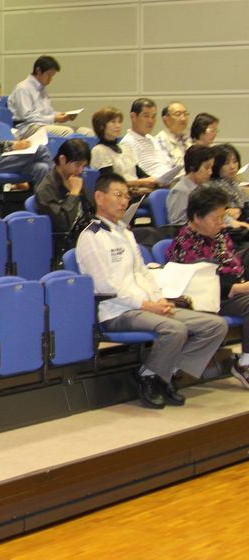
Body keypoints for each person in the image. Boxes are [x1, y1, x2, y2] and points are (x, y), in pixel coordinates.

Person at [77, 173, 227, 408]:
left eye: (126, 196)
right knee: (174, 329)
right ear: (99, 197)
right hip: (116, 312)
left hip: (147, 306)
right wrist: (148, 305)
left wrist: (160, 299)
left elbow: (143, 273)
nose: (123, 201)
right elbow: (107, 288)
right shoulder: (91, 237)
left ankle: (162, 373)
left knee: (215, 326)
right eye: (117, 195)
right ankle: (149, 377)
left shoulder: (125, 232)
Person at [167, 186, 249, 387]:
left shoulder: (219, 235)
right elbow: (200, 282)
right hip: (207, 298)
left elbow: (234, 264)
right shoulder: (184, 242)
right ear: (197, 217)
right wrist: (240, 287)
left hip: (233, 291)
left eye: (223, 217)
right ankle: (245, 362)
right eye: (216, 219)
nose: (221, 224)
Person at [35, 139, 95, 258]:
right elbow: (63, 225)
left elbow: (94, 209)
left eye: (83, 166)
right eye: (77, 165)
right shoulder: (45, 189)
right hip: (64, 245)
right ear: (62, 160)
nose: (80, 170)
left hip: (86, 237)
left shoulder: (74, 178)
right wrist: (73, 194)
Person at [8, 55, 81, 138]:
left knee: (85, 131)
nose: (50, 79)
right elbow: (27, 117)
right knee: (66, 132)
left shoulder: (42, 89)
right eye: (49, 75)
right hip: (27, 128)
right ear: (38, 71)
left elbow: (48, 113)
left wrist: (63, 115)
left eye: (52, 76)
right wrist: (54, 118)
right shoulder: (22, 88)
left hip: (43, 125)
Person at [90, 107, 157, 196]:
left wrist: (154, 180)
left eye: (119, 122)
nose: (118, 125)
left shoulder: (126, 147)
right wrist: (141, 182)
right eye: (113, 122)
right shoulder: (99, 150)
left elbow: (140, 173)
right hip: (119, 195)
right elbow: (111, 182)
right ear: (101, 126)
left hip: (137, 190)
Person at [120, 98, 175, 180]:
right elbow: (132, 178)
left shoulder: (152, 139)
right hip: (152, 185)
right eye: (146, 116)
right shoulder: (126, 144)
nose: (150, 121)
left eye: (153, 116)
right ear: (133, 116)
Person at [166, 145, 215, 227]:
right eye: (206, 168)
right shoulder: (180, 191)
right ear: (193, 167)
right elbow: (179, 224)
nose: (210, 172)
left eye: (211, 167)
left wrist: (230, 221)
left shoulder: (206, 188)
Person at [210, 144, 249, 226]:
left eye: (235, 161)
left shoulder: (233, 183)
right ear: (216, 165)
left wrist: (240, 210)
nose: (233, 166)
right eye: (226, 163)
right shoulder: (213, 188)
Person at [154, 101, 191, 168]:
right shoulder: (161, 140)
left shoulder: (188, 139)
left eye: (185, 114)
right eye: (178, 114)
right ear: (166, 120)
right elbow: (168, 169)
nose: (183, 118)